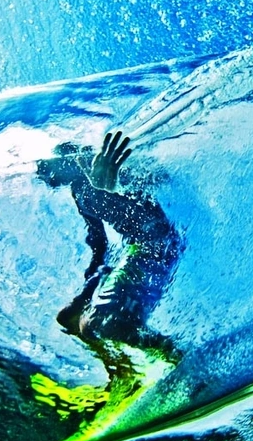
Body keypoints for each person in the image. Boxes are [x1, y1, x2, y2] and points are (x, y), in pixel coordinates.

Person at [37, 131, 181, 372]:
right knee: (71, 319)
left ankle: (179, 358)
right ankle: (121, 371)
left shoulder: (102, 164)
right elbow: (98, 241)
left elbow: (161, 179)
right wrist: (92, 280)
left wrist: (118, 185)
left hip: (156, 245)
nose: (41, 171)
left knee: (104, 323)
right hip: (137, 248)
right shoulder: (78, 191)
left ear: (67, 157)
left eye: (47, 163)